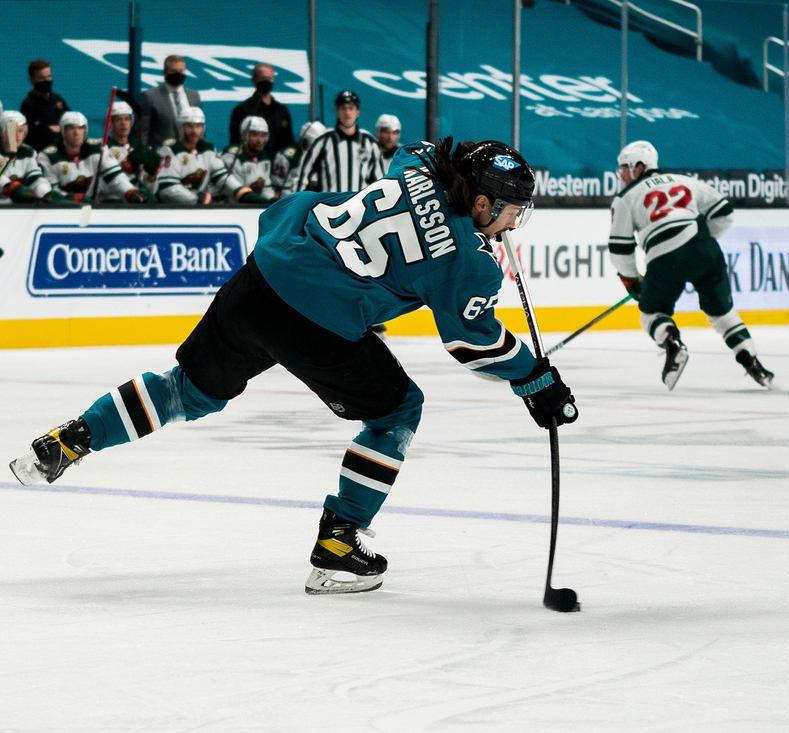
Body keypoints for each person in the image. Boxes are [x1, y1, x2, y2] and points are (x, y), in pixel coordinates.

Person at [8, 137, 579, 597]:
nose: (512, 222)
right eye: (509, 210)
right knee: (398, 409)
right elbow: (472, 343)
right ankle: (337, 546)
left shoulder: (416, 162)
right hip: (317, 321)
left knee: (187, 390)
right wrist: (537, 380)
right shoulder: (468, 264)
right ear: (480, 202)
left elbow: (426, 154)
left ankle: (75, 437)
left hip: (264, 276)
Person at [608, 140, 774, 390]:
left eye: (624, 168)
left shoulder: (624, 198)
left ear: (640, 167)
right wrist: (699, 240)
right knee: (722, 314)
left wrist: (631, 279)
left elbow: (620, 248)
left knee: (651, 314)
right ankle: (752, 362)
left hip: (664, 258)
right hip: (704, 249)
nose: (621, 174)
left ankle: (671, 342)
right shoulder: (685, 180)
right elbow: (725, 213)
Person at [38, 111, 151, 203]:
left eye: (81, 128)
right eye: (71, 128)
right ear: (63, 132)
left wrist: (130, 192)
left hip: (92, 208)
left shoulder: (98, 149)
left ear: (85, 131)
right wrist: (72, 198)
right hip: (61, 210)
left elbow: (116, 177)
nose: (77, 132)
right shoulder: (48, 156)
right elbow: (51, 191)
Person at [155, 108, 258, 205]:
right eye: (190, 126)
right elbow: (167, 189)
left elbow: (222, 177)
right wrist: (195, 199)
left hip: (201, 208)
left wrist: (240, 192)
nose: (194, 131)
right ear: (181, 127)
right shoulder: (170, 149)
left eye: (198, 126)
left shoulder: (207, 148)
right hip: (173, 209)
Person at [294, 90, 383, 193]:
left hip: (360, 207)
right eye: (343, 108)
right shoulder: (323, 142)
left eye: (351, 108)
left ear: (357, 112)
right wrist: (295, 205)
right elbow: (302, 176)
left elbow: (379, 181)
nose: (347, 112)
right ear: (337, 111)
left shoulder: (370, 143)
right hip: (331, 205)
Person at [228, 62, 295, 157]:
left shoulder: (281, 111)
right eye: (263, 78)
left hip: (278, 166)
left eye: (269, 78)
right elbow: (235, 143)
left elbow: (289, 142)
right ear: (254, 80)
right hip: (253, 165)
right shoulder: (242, 110)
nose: (266, 82)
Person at [141, 55, 203, 151]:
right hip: (161, 155)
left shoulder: (194, 96)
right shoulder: (150, 96)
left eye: (181, 71)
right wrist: (144, 154)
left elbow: (200, 127)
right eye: (173, 71)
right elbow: (143, 132)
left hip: (189, 155)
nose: (178, 74)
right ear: (165, 73)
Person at [104, 100, 162, 193]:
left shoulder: (138, 145)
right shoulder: (104, 147)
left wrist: (152, 175)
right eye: (119, 119)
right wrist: (128, 162)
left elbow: (151, 191)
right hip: (111, 202)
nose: (124, 123)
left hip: (137, 201)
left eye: (127, 119)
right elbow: (105, 184)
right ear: (110, 123)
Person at [1, 110, 58, 203]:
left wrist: (45, 192)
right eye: (11, 130)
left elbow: (34, 176)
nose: (16, 135)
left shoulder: (29, 152)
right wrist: (15, 189)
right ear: (2, 133)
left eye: (20, 130)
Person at [222, 116, 277, 203]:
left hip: (252, 206)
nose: (260, 140)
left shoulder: (264, 157)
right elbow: (238, 193)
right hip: (228, 207)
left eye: (263, 135)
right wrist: (262, 201)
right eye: (255, 135)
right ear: (244, 135)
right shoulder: (232, 156)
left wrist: (273, 199)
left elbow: (266, 189)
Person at [20, 59, 70, 152]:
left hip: (63, 150)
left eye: (48, 76)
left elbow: (71, 119)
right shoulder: (28, 105)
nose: (46, 81)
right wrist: (59, 128)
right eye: (41, 78)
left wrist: (58, 128)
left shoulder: (57, 99)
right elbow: (40, 132)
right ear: (31, 80)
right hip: (41, 152)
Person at [273, 120, 326, 196]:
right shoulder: (286, 156)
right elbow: (277, 187)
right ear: (304, 140)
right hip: (289, 199)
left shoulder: (324, 159)